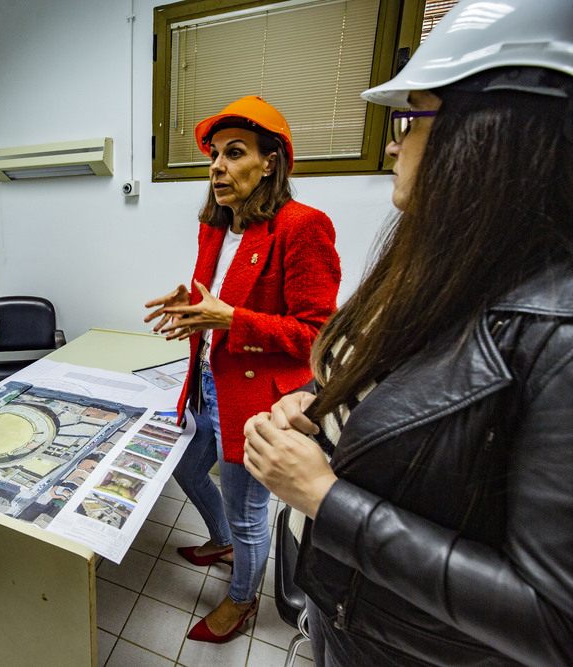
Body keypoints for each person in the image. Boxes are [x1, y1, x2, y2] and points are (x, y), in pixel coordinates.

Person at [242, 0, 573, 664]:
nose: (394, 142)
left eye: (411, 117)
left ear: (487, 133)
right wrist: (320, 402)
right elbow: (400, 394)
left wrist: (323, 496)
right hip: (349, 616)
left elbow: (553, 619)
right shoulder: (439, 267)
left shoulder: (556, 336)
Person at [144, 95, 340, 643]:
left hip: (258, 399)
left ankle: (242, 600)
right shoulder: (217, 225)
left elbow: (315, 334)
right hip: (209, 383)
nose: (217, 167)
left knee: (251, 513)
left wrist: (229, 318)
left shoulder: (303, 227)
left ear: (270, 162)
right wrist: (197, 307)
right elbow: (221, 299)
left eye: (235, 154)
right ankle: (224, 540)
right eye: (214, 156)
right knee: (184, 469)